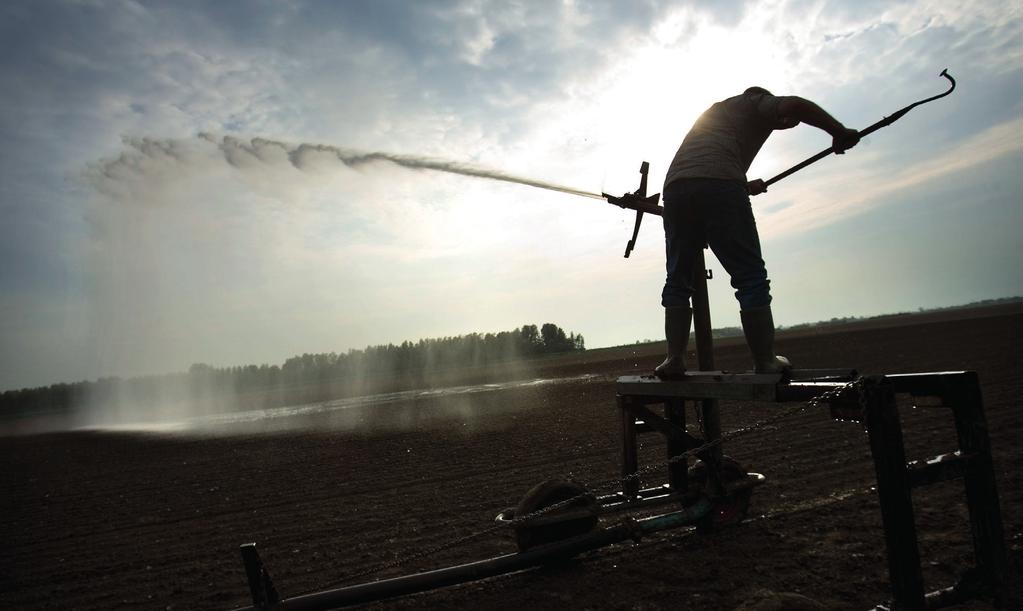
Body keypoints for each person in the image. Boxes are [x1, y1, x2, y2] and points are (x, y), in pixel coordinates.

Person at [655, 87, 859, 378]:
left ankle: (673, 359)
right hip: (720, 184)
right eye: (782, 123)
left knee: (678, 279)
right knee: (750, 277)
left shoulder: (718, 114)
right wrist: (837, 131)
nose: (784, 125)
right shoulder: (754, 102)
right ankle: (765, 361)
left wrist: (745, 184)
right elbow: (795, 104)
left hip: (677, 189)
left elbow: (709, 164)